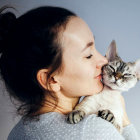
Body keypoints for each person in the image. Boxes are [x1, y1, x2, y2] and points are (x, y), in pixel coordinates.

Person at [0, 5, 139, 140]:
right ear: (51, 79)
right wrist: (125, 121)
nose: (104, 60)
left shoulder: (17, 132)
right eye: (88, 55)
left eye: (95, 48)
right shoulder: (93, 130)